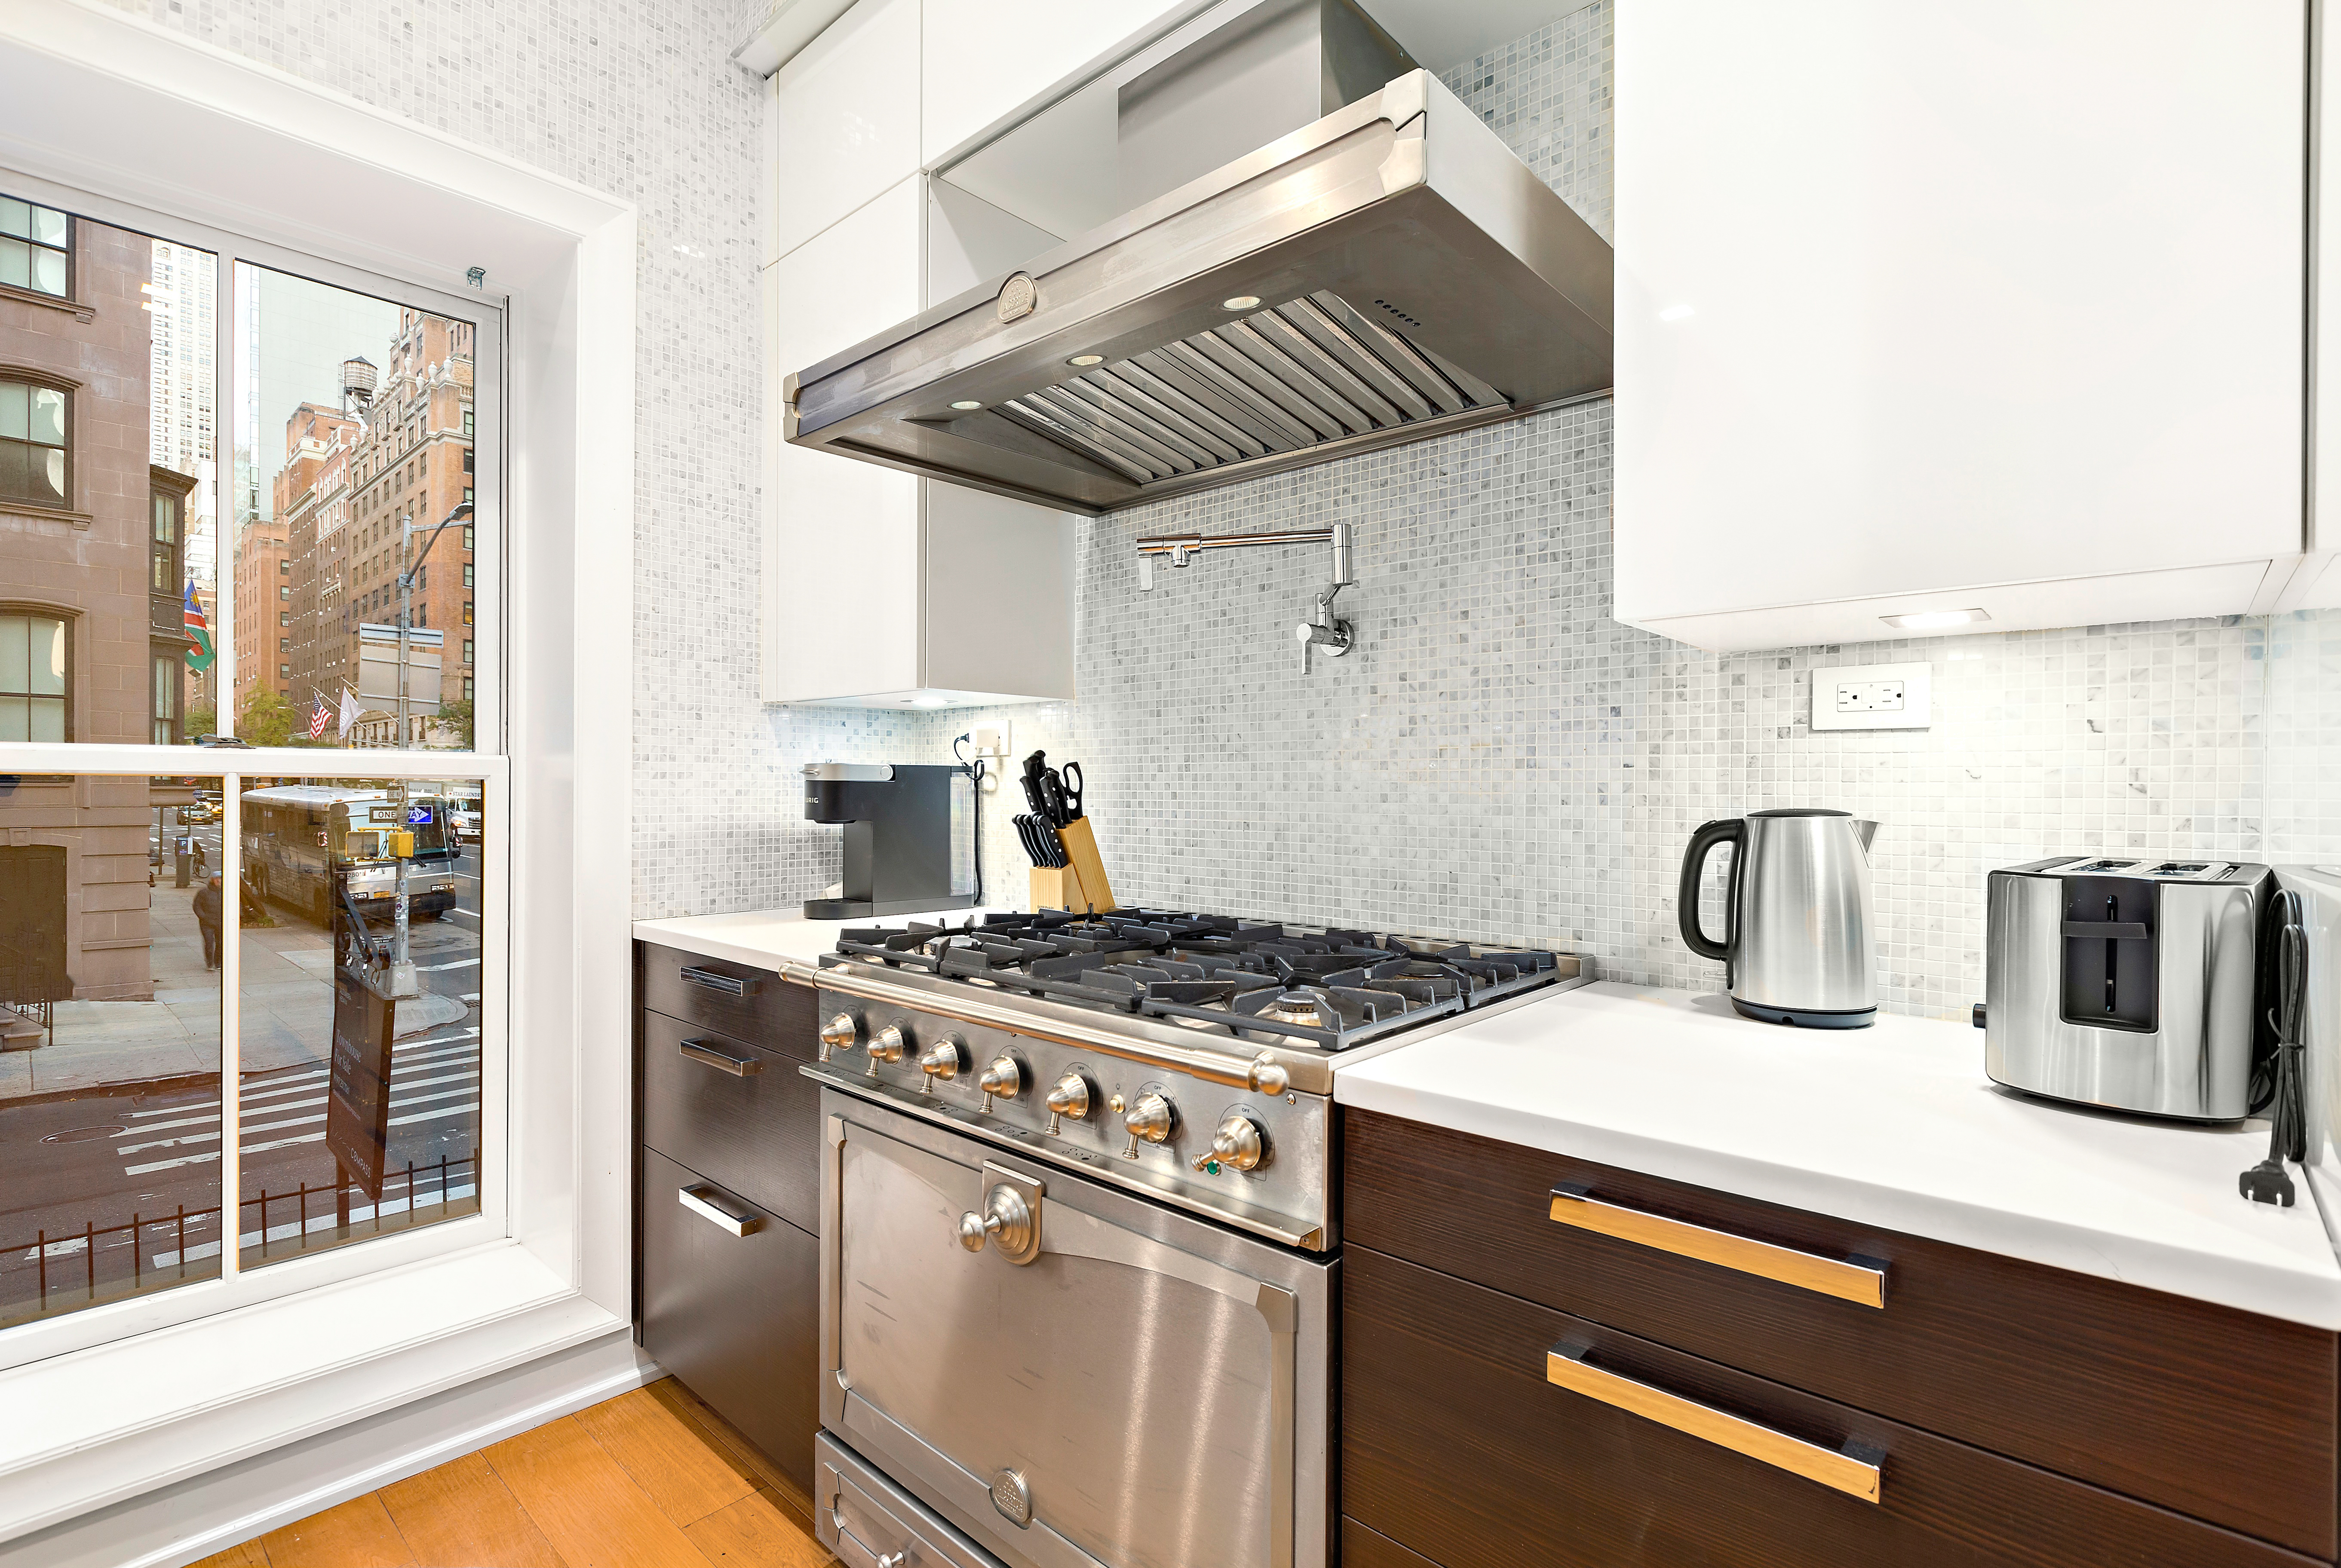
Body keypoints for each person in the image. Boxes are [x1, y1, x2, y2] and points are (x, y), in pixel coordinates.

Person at [193, 873, 224, 971]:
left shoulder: (225, 892)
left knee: (220, 943)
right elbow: (197, 906)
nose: (219, 881)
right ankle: (210, 963)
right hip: (207, 923)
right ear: (212, 880)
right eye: (217, 879)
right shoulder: (204, 893)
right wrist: (204, 917)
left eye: (221, 879)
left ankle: (218, 962)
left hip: (220, 922)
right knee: (209, 943)